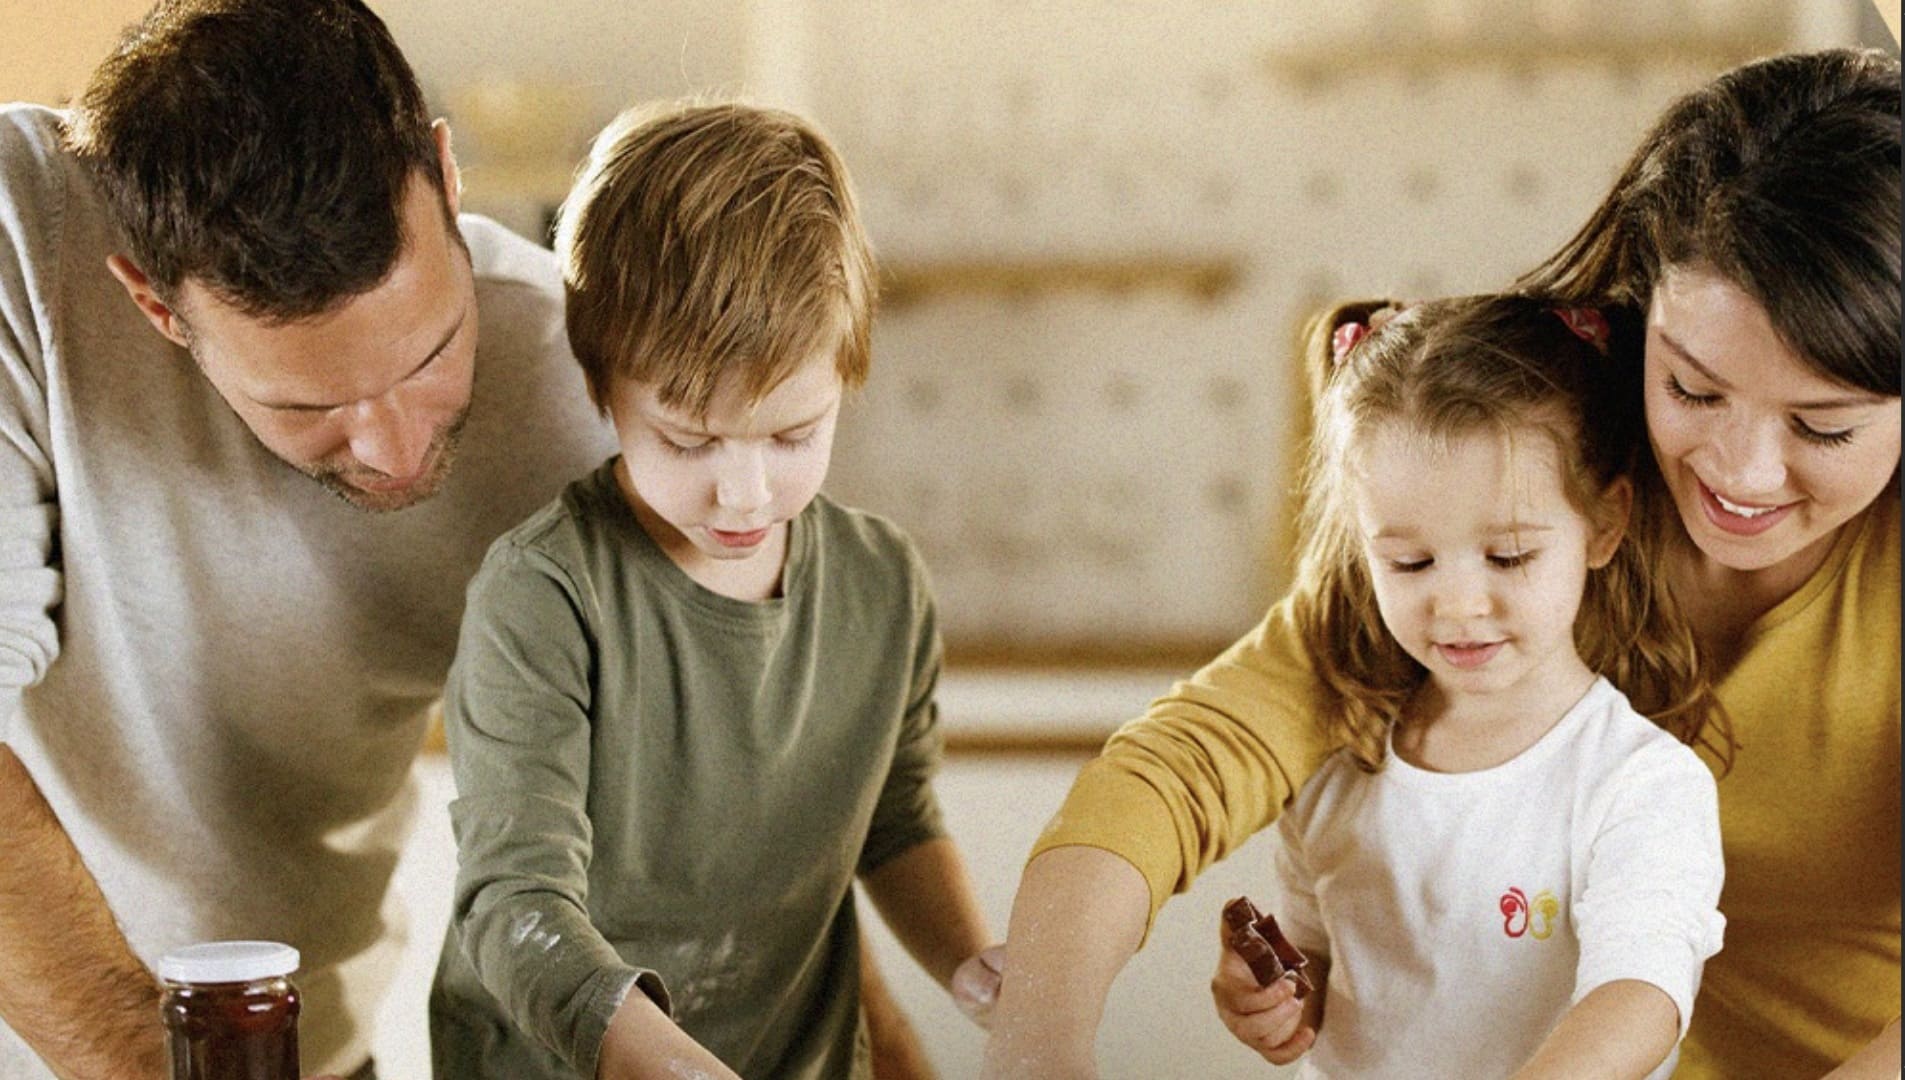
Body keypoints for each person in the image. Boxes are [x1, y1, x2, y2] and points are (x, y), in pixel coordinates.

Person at [0, 3, 934, 1077]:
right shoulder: (26, 245)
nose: (395, 448)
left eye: (431, 354)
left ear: (445, 176)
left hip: (305, 1044)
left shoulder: (577, 407)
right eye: (311, 409)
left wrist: (894, 1058)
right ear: (156, 307)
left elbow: (739, 850)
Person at [980, 47, 1900, 1080]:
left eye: (1822, 429)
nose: (1740, 469)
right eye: (1691, 389)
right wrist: (1038, 1041)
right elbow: (1183, 767)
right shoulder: (1528, 506)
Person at [427, 100, 995, 1079]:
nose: (743, 493)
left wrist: (978, 970)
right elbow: (515, 907)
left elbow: (896, 822)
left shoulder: (882, 585)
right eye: (687, 441)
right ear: (603, 387)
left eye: (792, 436)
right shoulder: (545, 595)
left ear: (845, 375)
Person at [1209, 295, 1725, 1077]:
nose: (1455, 604)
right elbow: (1317, 958)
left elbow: (1641, 993)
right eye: (1409, 563)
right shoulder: (1336, 765)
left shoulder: (1639, 782)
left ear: (1604, 525)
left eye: (1508, 556)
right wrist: (1276, 999)